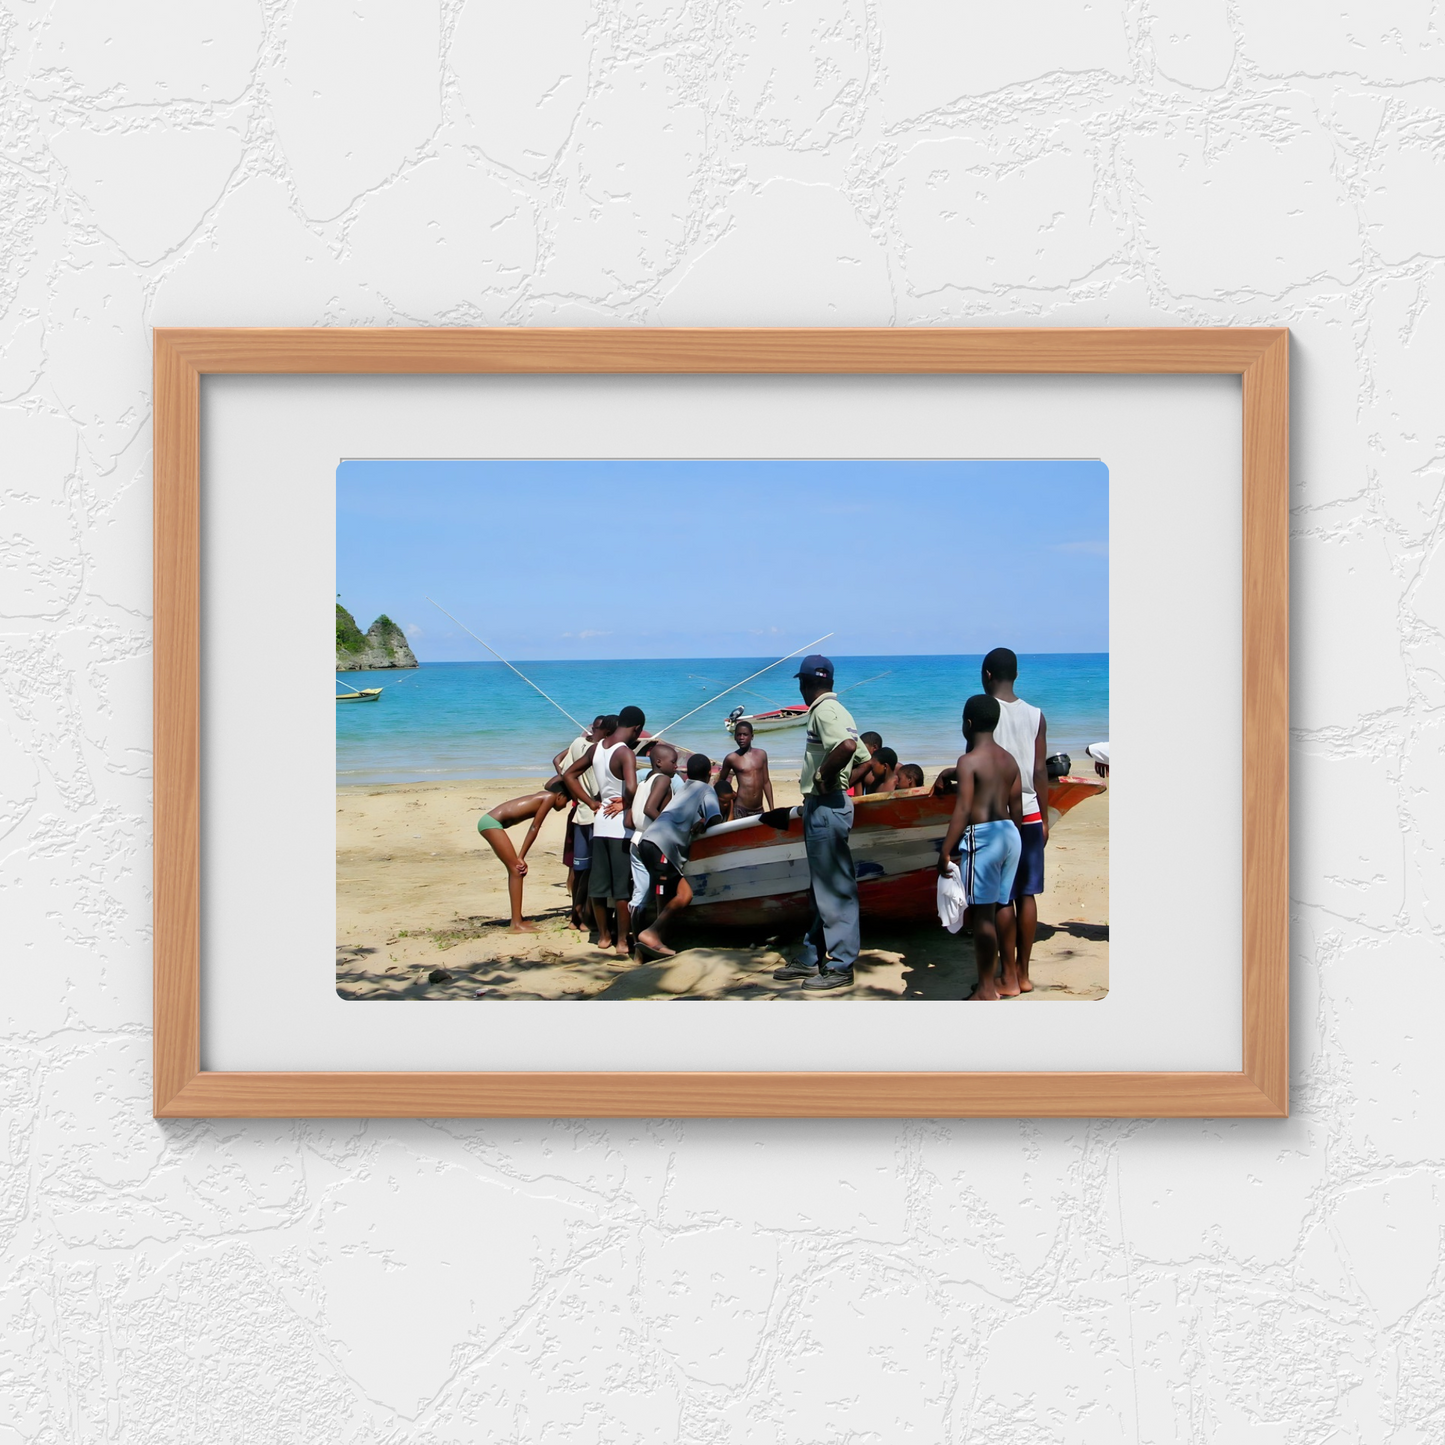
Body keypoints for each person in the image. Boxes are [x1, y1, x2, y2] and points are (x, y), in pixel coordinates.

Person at [770, 655, 870, 992]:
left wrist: (825, 777)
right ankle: (812, 956)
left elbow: (847, 746)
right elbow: (864, 759)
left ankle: (841, 965)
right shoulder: (839, 710)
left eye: (801, 683)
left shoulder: (824, 711)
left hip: (826, 807)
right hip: (828, 805)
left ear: (806, 683)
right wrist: (839, 782)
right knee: (822, 887)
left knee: (835, 889)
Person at [936, 696, 1023, 1000]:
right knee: (1004, 905)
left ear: (967, 724)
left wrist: (946, 851)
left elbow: (963, 809)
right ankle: (1009, 978)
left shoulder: (968, 761)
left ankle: (986, 989)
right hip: (1011, 834)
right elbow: (1017, 809)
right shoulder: (1009, 760)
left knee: (982, 915)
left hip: (983, 837)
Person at [981, 647, 1049, 997]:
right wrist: (1046, 817)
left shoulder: (983, 709)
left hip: (998, 815)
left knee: (1001, 898)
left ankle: (1006, 976)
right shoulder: (1036, 715)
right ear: (1017, 675)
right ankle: (1023, 974)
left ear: (987, 675)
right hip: (1032, 812)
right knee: (1027, 894)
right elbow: (1039, 770)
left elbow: (980, 760)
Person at [562, 706, 646, 955]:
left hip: (599, 824)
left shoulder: (596, 748)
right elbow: (630, 788)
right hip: (620, 827)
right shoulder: (625, 753)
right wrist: (627, 801)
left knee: (599, 886)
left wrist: (591, 803)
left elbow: (569, 775)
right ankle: (622, 941)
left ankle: (603, 937)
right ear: (637, 729)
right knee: (621, 888)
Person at [635, 752, 725, 956]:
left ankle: (650, 947)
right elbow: (715, 820)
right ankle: (651, 933)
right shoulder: (705, 790)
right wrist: (705, 822)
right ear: (709, 775)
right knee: (684, 895)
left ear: (687, 774)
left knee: (663, 896)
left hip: (648, 841)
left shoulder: (683, 788)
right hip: (663, 846)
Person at [476, 780, 571, 932]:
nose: (566, 805)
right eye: (567, 800)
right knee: (516, 870)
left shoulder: (545, 794)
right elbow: (535, 827)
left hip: (491, 822)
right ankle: (516, 924)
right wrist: (521, 856)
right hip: (491, 824)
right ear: (560, 795)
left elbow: (551, 782)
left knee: (515, 870)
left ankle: (518, 918)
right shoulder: (548, 798)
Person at [553, 714, 607, 928]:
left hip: (579, 810)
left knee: (577, 866)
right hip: (590, 812)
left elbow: (560, 764)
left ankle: (576, 914)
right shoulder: (597, 750)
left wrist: (572, 788)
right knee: (586, 868)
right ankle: (582, 914)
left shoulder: (577, 743)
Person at [628, 741, 681, 922]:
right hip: (653, 841)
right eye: (673, 762)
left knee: (640, 893)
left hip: (636, 839)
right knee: (661, 889)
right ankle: (657, 933)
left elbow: (630, 819)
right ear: (659, 762)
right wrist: (668, 830)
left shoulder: (644, 782)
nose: (676, 766)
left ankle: (637, 941)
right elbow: (650, 809)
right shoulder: (664, 780)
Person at [715, 720, 774, 819]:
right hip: (741, 808)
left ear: (752, 736)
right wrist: (731, 794)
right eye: (739, 735)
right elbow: (721, 782)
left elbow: (766, 782)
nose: (741, 738)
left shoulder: (761, 755)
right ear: (734, 737)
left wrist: (772, 809)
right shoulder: (732, 758)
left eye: (745, 735)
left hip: (759, 809)